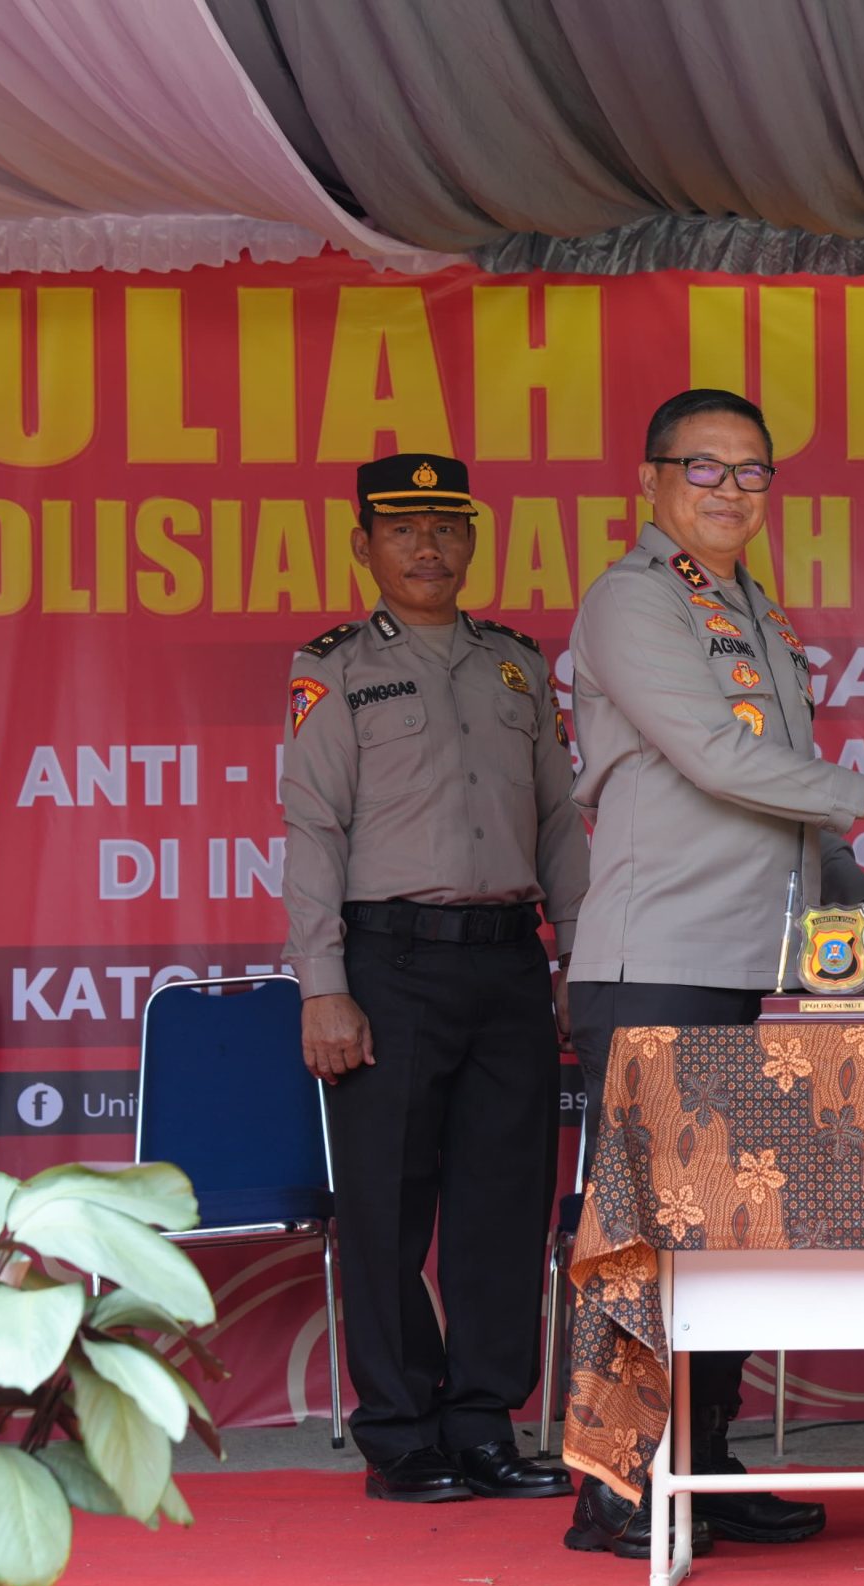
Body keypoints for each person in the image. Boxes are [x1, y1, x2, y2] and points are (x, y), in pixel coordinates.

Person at [558, 388, 864, 1558]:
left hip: (749, 964)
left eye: (750, 471)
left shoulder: (757, 615)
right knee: (645, 1231)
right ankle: (617, 1483)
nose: (729, 490)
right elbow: (716, 756)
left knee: (725, 1225)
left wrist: (859, 901)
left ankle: (704, 1458)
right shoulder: (632, 600)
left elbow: (790, 787)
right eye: (703, 466)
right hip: (654, 961)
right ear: (649, 480)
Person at [283, 452, 587, 1505]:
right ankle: (403, 1431)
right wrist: (322, 983)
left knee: (504, 1203)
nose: (428, 547)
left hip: (508, 958)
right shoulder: (332, 667)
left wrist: (574, 955)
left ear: (472, 540)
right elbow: (313, 829)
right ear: (363, 545)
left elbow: (559, 822)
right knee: (386, 1207)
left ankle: (485, 1423)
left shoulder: (516, 665)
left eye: (447, 527)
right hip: (389, 963)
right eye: (404, 529)